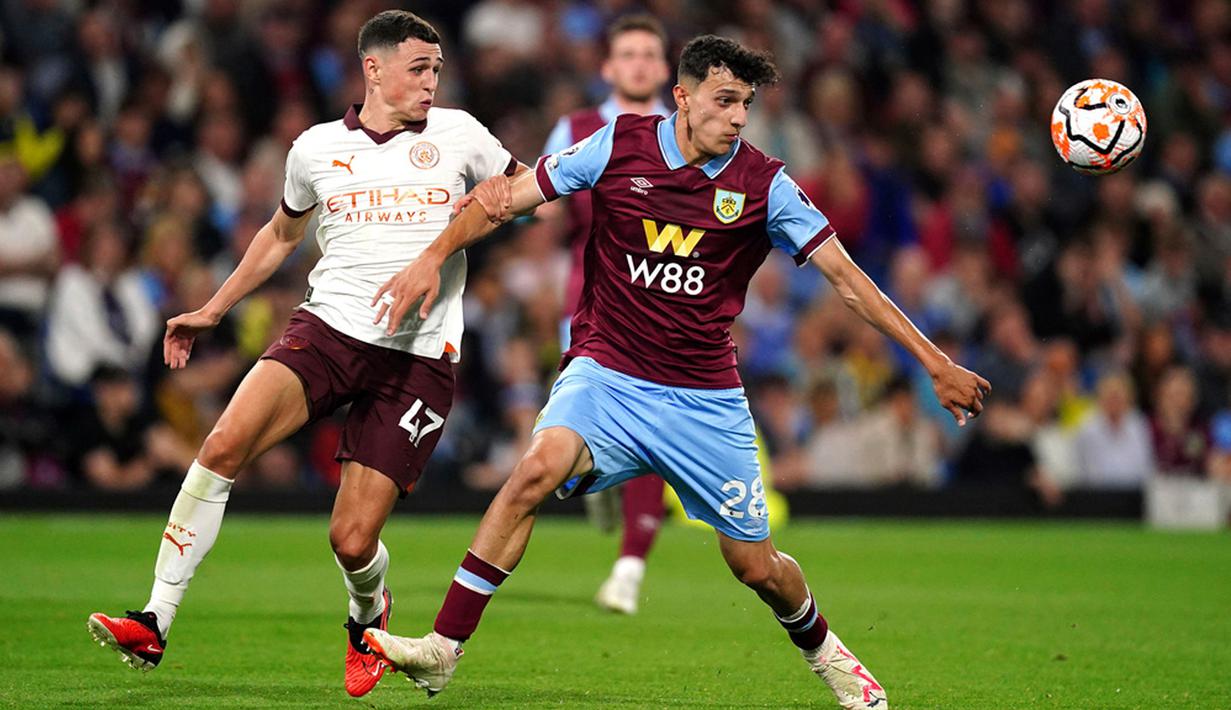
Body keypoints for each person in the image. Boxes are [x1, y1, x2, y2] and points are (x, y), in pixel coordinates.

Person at [364, 35, 989, 709]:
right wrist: (430, 257)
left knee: (755, 566)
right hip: (606, 371)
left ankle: (830, 657)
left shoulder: (764, 184)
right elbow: (506, 200)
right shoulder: (615, 145)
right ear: (682, 98)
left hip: (703, 400)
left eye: (745, 105)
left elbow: (846, 278)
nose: (738, 118)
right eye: (724, 101)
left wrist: (933, 361)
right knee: (533, 472)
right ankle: (443, 650)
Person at [85, 10, 526, 699]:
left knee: (351, 541)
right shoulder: (315, 148)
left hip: (416, 357)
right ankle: (155, 618)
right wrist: (215, 306)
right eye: (418, 68)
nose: (431, 82)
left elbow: (525, 190)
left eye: (437, 69)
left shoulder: (460, 134)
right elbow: (280, 234)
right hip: (326, 331)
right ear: (372, 69)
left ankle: (366, 614)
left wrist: (508, 194)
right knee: (223, 442)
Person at [541, 14, 673, 615]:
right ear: (609, 67)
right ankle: (595, 476)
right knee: (586, 427)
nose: (640, 63)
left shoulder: (691, 132)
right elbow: (541, 205)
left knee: (654, 431)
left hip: (671, 303)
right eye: (629, 54)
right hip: (592, 301)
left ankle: (629, 567)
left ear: (666, 69)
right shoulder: (577, 128)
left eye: (650, 53)